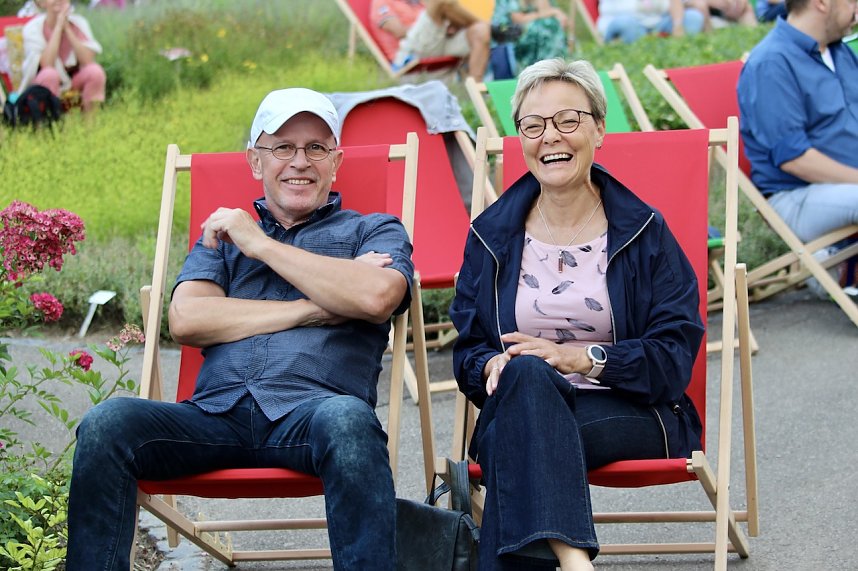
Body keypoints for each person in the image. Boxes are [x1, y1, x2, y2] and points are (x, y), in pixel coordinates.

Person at [64, 88, 415, 570]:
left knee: (350, 422)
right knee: (107, 424)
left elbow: (376, 297)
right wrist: (312, 306)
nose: (300, 161)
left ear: (336, 161)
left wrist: (262, 245)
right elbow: (188, 320)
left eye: (316, 148)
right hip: (213, 417)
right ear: (255, 160)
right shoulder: (221, 235)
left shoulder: (374, 230)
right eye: (282, 147)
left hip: (314, 416)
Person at [449, 58, 704, 570]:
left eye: (568, 120)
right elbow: (469, 352)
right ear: (520, 137)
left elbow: (673, 358)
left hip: (633, 408)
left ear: (599, 129)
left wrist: (578, 358)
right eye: (534, 125)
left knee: (514, 442)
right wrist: (489, 367)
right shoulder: (491, 235)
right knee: (524, 374)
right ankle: (574, 563)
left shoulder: (643, 231)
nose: (551, 137)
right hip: (522, 399)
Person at [737, 0, 858, 292]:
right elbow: (794, 159)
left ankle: (840, 269)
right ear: (821, 3)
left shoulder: (840, 52)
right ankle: (836, 270)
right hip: (795, 195)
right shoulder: (771, 62)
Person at [19, 0, 105, 112]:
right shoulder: (32, 28)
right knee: (50, 74)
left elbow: (88, 60)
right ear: (42, 3)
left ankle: (91, 125)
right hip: (42, 83)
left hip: (71, 78)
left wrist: (68, 29)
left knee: (95, 72)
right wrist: (58, 27)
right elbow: (47, 64)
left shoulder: (79, 23)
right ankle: (49, 122)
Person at [370, 0, 490, 80]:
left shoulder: (417, 2)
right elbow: (400, 32)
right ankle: (484, 24)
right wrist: (432, 25)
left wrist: (446, 25)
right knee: (440, 1)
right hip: (411, 51)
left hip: (439, 42)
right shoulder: (382, 2)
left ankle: (476, 90)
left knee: (481, 30)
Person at [491, 0, 569, 72]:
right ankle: (546, 69)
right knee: (541, 28)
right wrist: (553, 12)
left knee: (551, 25)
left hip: (537, 37)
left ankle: (552, 68)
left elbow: (548, 15)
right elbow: (518, 20)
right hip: (509, 34)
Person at [597, 0, 706, 43]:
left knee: (693, 17)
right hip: (627, 21)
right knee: (626, 24)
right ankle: (643, 47)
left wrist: (678, 25)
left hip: (659, 21)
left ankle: (681, 45)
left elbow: (675, 3)